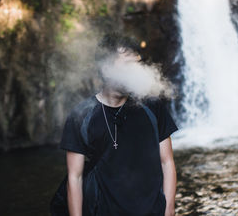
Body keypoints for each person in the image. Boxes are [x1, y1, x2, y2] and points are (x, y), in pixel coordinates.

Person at [50, 33, 178, 216]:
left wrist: (169, 210)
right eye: (128, 65)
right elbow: (75, 177)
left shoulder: (152, 106)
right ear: (106, 68)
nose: (136, 72)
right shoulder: (82, 116)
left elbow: (167, 162)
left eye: (137, 65)